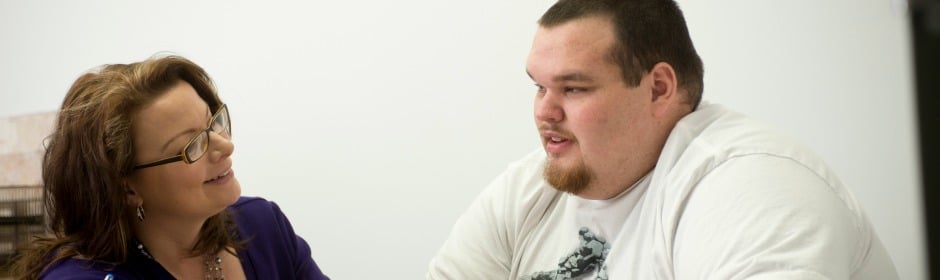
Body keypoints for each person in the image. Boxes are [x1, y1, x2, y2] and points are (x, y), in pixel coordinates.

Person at [427, 0, 899, 279]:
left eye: (573, 88)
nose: (544, 112)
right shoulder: (530, 191)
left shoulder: (755, 185)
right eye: (538, 86)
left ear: (658, 88)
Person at [10, 55, 329, 279]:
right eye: (191, 146)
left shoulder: (264, 226)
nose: (226, 146)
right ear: (127, 187)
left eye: (213, 124)